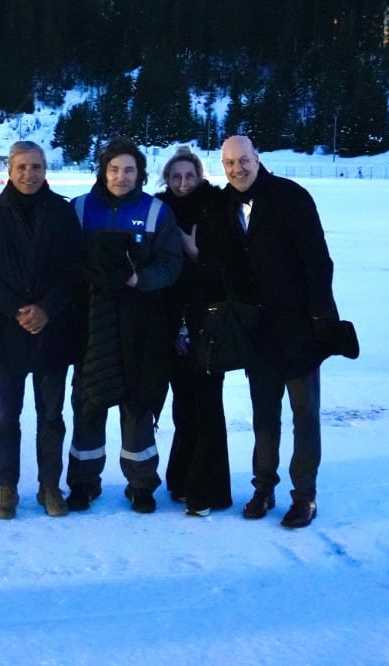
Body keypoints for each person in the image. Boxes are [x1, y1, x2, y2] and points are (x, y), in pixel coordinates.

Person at [209, 134, 338, 529]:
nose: (237, 169)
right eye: (229, 163)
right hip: (257, 330)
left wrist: (321, 318)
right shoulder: (223, 205)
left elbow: (318, 262)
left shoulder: (291, 197)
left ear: (257, 158)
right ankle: (263, 488)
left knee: (305, 414)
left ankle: (305, 496)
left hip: (300, 329)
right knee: (264, 416)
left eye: (243, 160)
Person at [0, 141, 86, 519]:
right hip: (7, 331)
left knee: (51, 416)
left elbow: (75, 269)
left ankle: (49, 485)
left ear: (45, 170)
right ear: (9, 169)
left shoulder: (63, 213)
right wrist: (16, 309)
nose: (28, 174)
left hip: (53, 330)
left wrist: (47, 309)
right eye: (21, 167)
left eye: (36, 167)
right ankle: (8, 487)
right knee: (6, 417)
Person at [65, 137, 183, 513]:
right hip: (90, 321)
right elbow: (63, 260)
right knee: (89, 399)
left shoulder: (157, 212)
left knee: (137, 401)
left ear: (140, 174)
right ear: (103, 171)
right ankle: (84, 481)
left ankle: (142, 483)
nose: (121, 177)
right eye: (114, 169)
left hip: (140, 323)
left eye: (129, 170)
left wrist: (139, 280)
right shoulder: (80, 208)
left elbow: (171, 264)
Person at [156, 146, 234, 516]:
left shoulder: (216, 210)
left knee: (207, 404)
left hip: (209, 321)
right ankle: (181, 480)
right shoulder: (159, 210)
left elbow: (229, 273)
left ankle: (207, 489)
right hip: (171, 321)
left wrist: (195, 252)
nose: (183, 183)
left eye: (189, 176)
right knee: (183, 405)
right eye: (176, 176)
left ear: (200, 176)